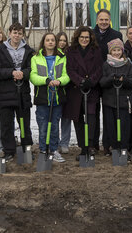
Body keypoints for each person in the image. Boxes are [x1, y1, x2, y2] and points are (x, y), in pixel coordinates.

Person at [0, 22, 34, 161]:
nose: (17, 35)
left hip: (22, 92)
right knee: (6, 124)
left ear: (23, 35)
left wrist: (23, 73)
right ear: (9, 33)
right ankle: (9, 150)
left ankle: (26, 148)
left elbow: (31, 69)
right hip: (6, 92)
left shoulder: (28, 50)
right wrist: (12, 73)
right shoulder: (1, 50)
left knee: (24, 123)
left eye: (20, 33)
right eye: (14, 32)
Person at [30, 32, 70, 162]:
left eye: (53, 40)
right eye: (48, 40)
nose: (50, 42)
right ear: (44, 42)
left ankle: (53, 149)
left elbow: (66, 75)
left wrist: (60, 81)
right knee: (43, 126)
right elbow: (33, 76)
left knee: (54, 126)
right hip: (42, 98)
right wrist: (46, 80)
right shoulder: (36, 57)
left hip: (56, 98)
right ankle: (43, 150)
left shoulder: (62, 57)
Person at [66, 26, 104, 156]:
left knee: (91, 118)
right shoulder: (71, 51)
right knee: (78, 120)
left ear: (91, 38)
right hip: (76, 90)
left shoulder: (96, 50)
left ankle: (91, 145)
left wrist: (91, 81)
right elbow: (69, 69)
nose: (84, 39)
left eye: (87, 37)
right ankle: (83, 146)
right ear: (77, 37)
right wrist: (80, 81)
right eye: (82, 37)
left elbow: (100, 69)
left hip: (91, 90)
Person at [100, 39, 132, 157]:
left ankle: (124, 147)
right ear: (110, 51)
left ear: (122, 51)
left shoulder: (127, 64)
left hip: (123, 100)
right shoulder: (106, 65)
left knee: (124, 125)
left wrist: (123, 79)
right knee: (110, 126)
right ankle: (113, 147)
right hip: (109, 101)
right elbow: (102, 82)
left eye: (118, 50)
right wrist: (111, 78)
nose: (116, 52)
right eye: (114, 50)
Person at [56, 31, 72, 153]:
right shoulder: (51, 54)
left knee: (66, 117)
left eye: (64, 40)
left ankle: (65, 142)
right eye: (60, 40)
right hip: (54, 88)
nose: (62, 43)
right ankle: (54, 142)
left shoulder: (69, 54)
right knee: (55, 117)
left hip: (67, 88)